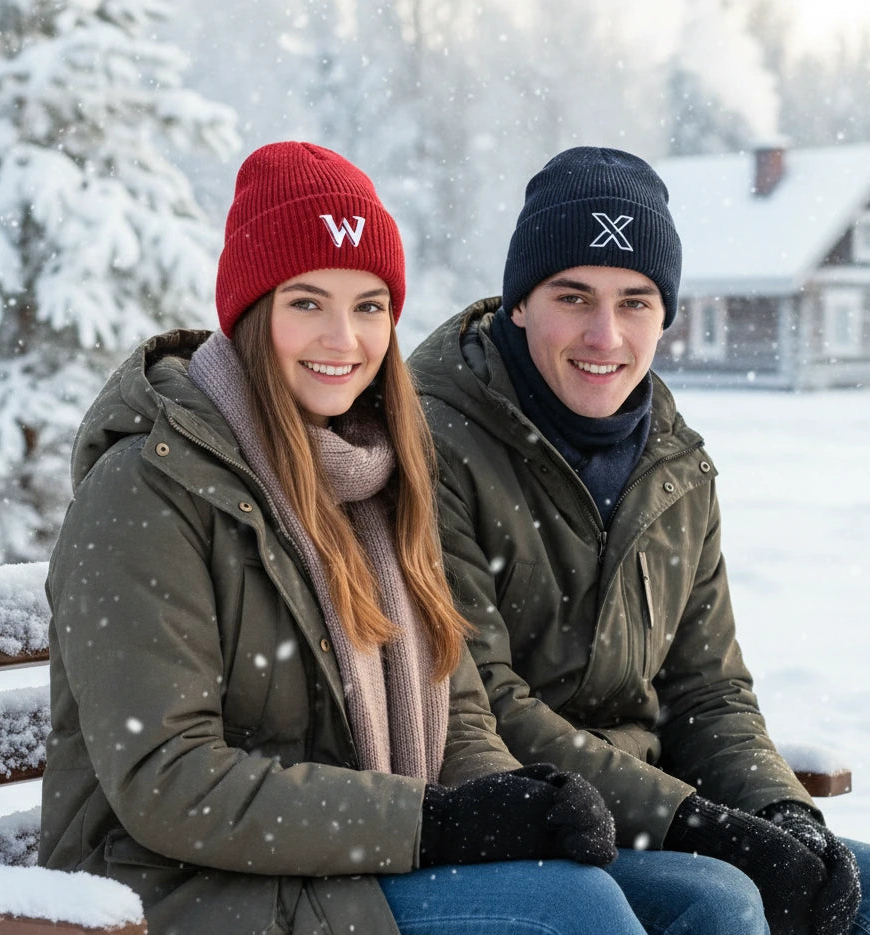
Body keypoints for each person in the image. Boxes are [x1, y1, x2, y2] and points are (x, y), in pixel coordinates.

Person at [38, 141, 652, 935]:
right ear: (251, 313)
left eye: (368, 306)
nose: (343, 338)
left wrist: (514, 808)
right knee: (573, 911)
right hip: (173, 892)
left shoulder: (379, 477)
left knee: (698, 900)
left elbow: (458, 712)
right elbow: (170, 780)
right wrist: (435, 823)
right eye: (306, 303)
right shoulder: (146, 489)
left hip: (343, 868)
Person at [408, 145, 870, 935]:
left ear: (665, 315)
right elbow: (484, 703)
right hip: (520, 816)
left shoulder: (673, 465)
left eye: (634, 302)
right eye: (573, 297)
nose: (604, 334)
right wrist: (698, 824)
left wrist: (778, 811)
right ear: (518, 304)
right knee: (717, 901)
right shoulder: (433, 443)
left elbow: (707, 689)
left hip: (654, 804)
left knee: (854, 883)